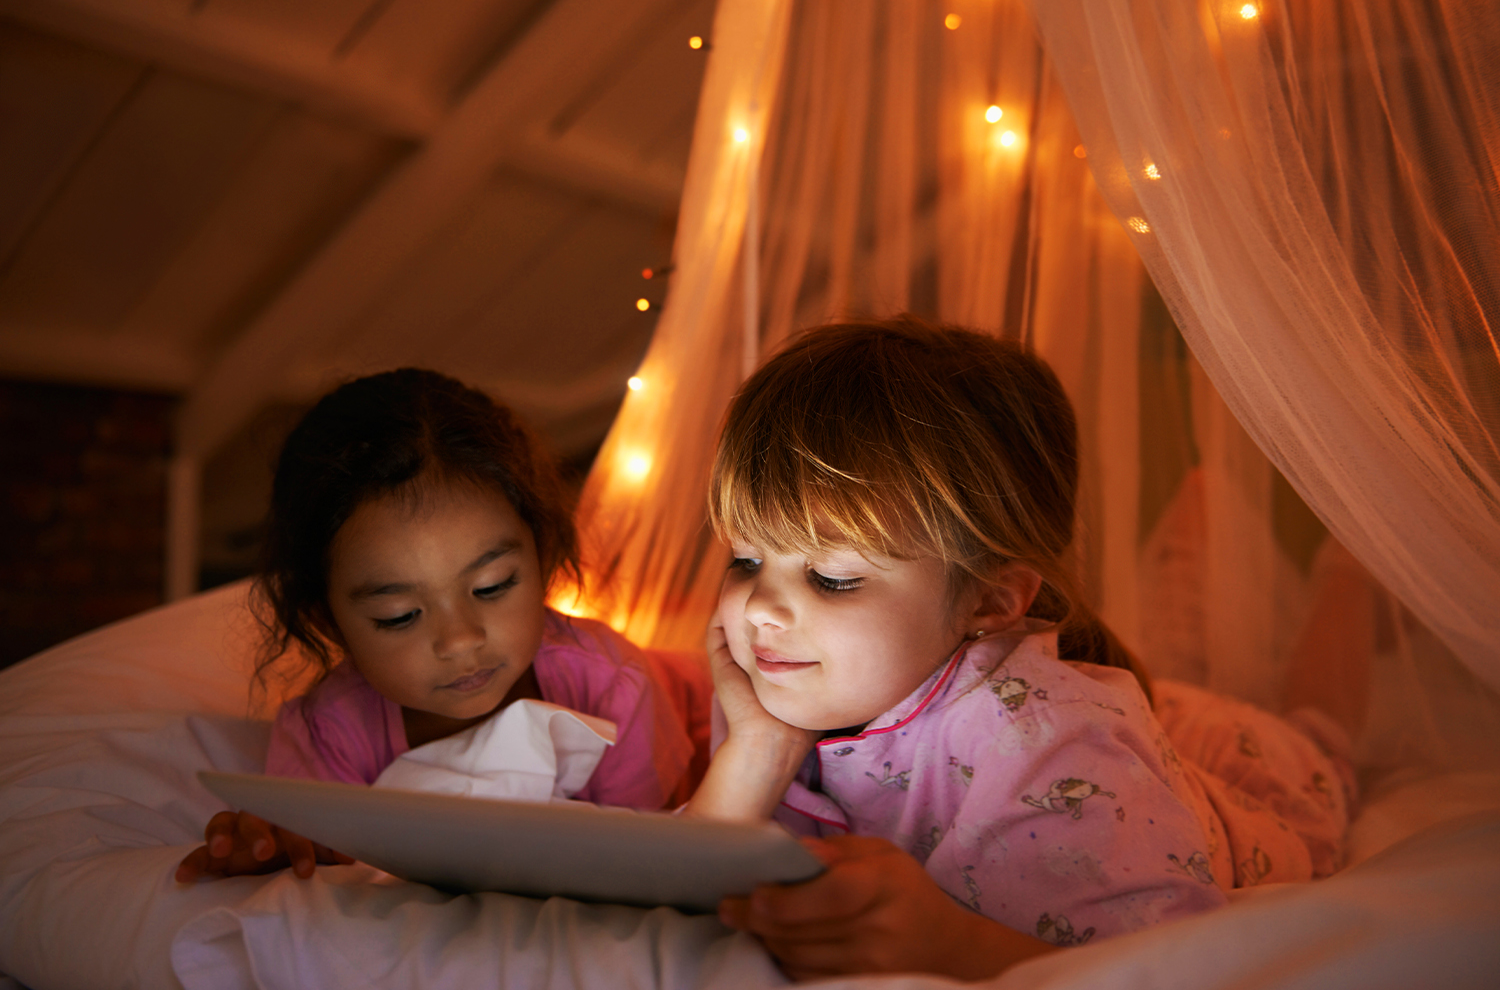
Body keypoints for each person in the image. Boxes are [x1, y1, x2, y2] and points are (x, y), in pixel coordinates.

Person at [683, 317, 1357, 981]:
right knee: (1168, 692)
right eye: (745, 560)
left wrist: (952, 946)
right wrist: (758, 752)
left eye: (833, 578)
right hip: (1122, 721)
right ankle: (1197, 525)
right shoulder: (778, 690)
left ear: (988, 600)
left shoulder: (1053, 743)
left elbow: (1159, 971)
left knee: (1318, 734)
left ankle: (1347, 578)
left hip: (1254, 773)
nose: (760, 608)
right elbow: (681, 889)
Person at [176, 368, 705, 883]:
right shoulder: (331, 731)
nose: (460, 640)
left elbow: (654, 857)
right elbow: (310, 858)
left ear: (543, 555)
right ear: (328, 621)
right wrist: (271, 846)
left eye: (492, 586)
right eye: (400, 616)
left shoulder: (613, 688)